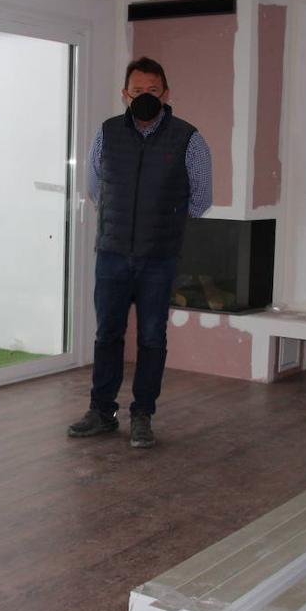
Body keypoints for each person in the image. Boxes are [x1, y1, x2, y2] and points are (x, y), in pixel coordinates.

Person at [68, 57, 212, 448]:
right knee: (107, 335)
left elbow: (201, 198)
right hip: (112, 254)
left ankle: (142, 415)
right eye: (137, 91)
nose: (144, 96)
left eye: (152, 90)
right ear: (124, 94)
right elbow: (95, 188)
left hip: (158, 258)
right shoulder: (106, 133)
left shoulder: (189, 139)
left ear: (165, 94)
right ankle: (102, 412)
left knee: (151, 339)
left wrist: (163, 222)